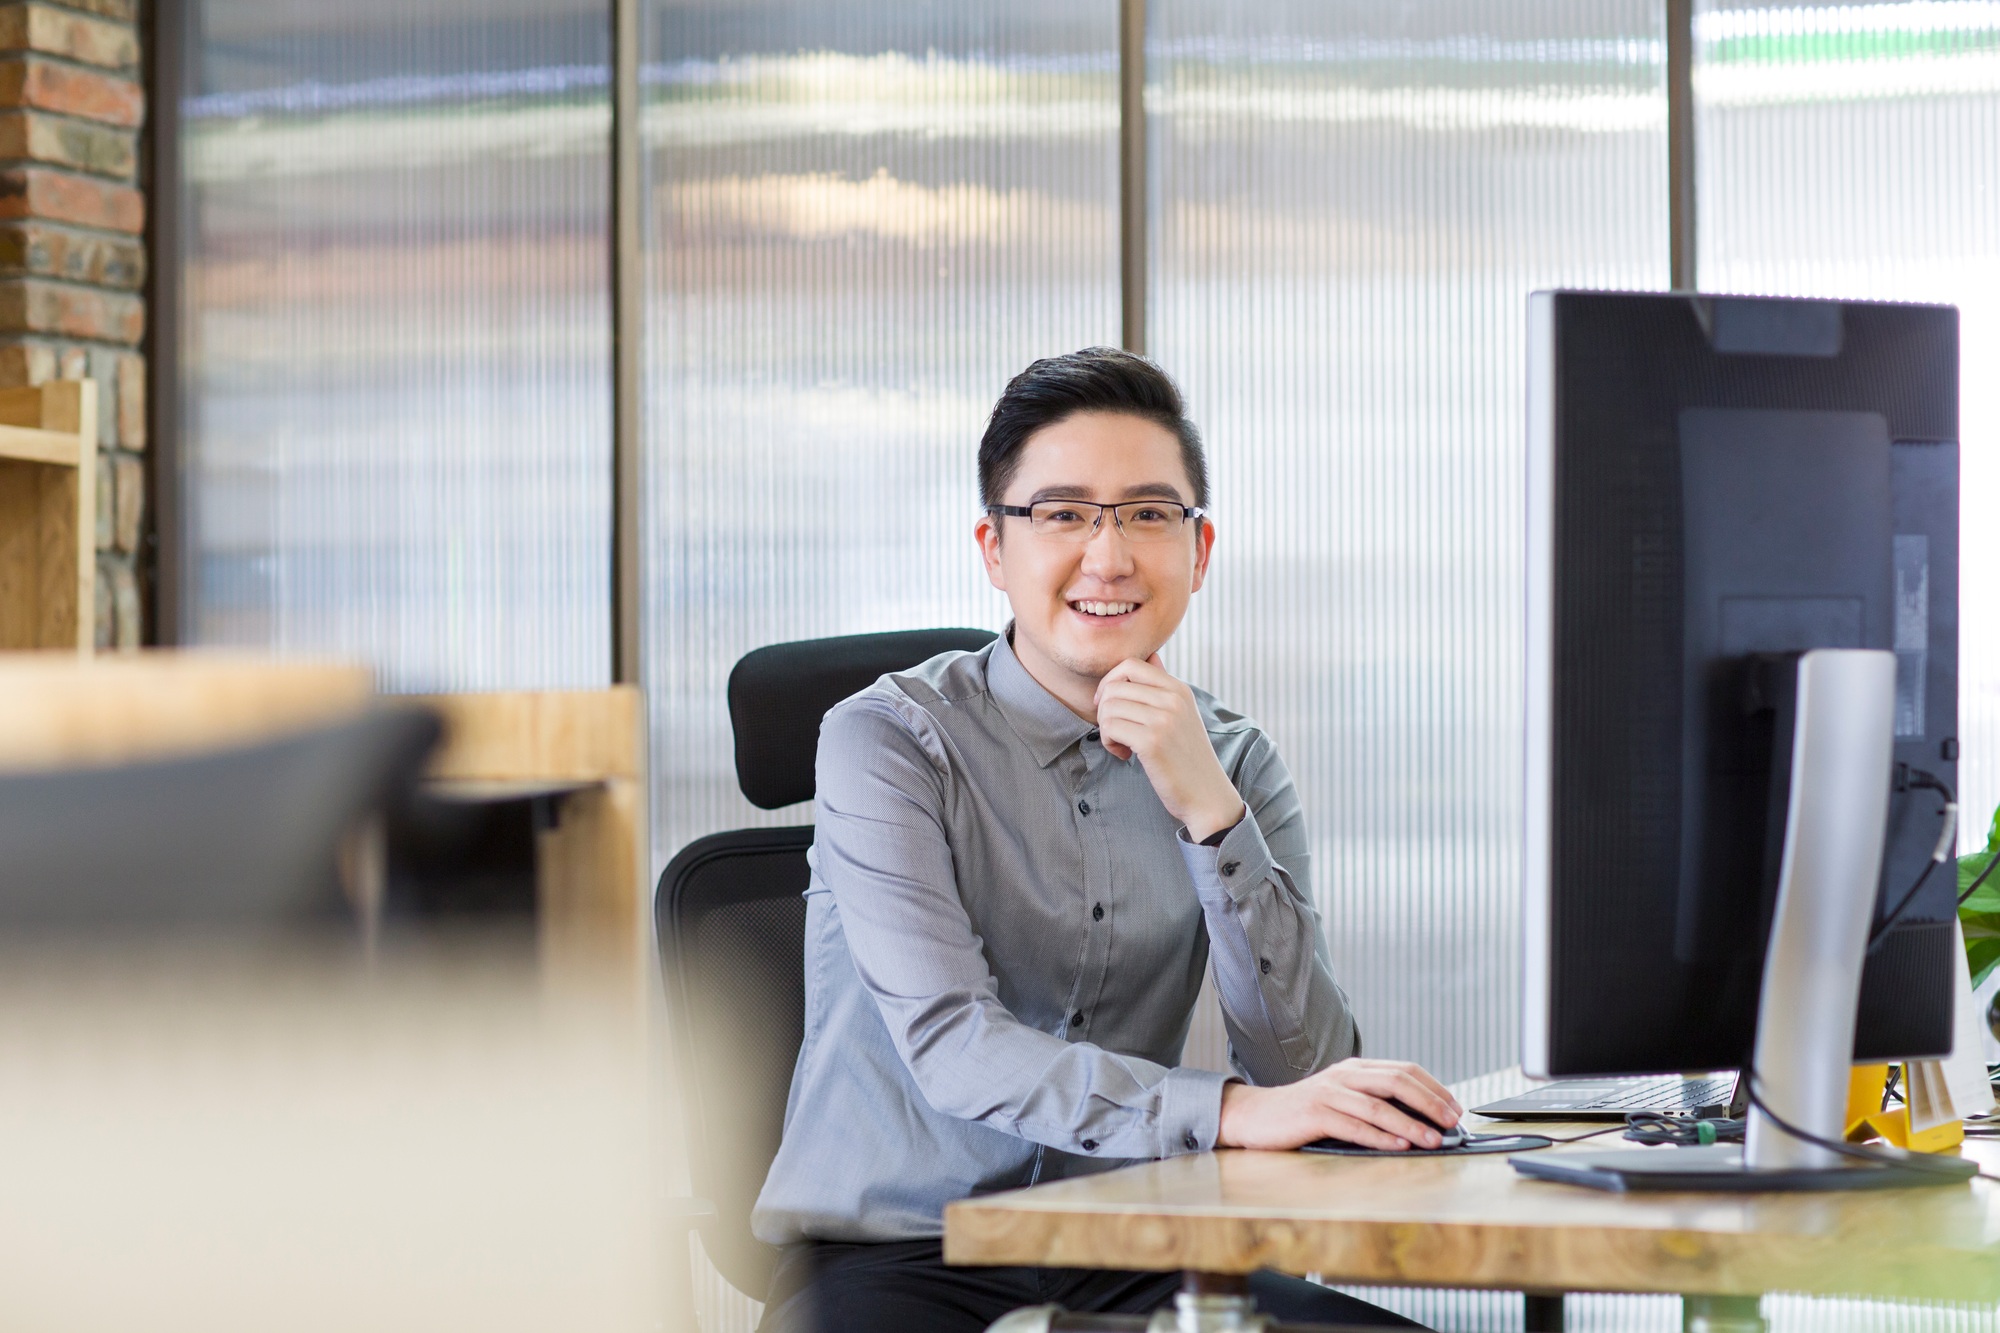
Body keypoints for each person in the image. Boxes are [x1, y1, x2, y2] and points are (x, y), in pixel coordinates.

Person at [753, 348, 1459, 1332]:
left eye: (1145, 513)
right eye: (1062, 513)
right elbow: (953, 1044)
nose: (1108, 554)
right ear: (994, 550)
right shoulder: (886, 739)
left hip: (1126, 1242)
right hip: (903, 1254)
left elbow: (1299, 1074)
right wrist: (1222, 1116)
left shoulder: (1233, 759)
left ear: (1199, 549)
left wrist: (1208, 815)